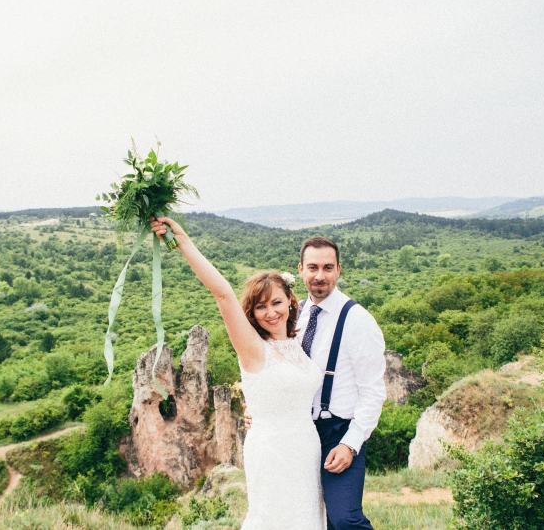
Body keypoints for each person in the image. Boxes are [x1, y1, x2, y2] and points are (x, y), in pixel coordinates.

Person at [150, 216, 325, 530]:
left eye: (276, 303)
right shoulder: (254, 348)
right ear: (253, 314)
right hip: (272, 450)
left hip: (307, 449)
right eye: (260, 307)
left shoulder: (299, 342)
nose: (270, 312)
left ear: (290, 301)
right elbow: (223, 294)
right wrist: (183, 242)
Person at [248, 236, 387, 530]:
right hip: (299, 434)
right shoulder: (290, 315)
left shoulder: (358, 321)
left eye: (327, 267)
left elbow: (373, 393)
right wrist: (260, 408)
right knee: (301, 515)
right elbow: (275, 369)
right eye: (312, 267)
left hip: (341, 431)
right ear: (300, 269)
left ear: (339, 269)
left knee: (344, 518)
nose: (319, 276)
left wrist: (350, 444)